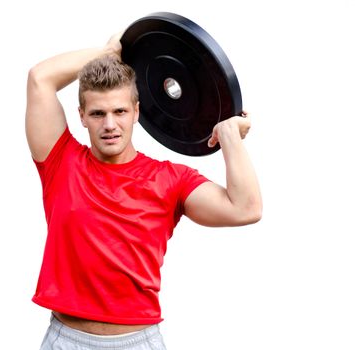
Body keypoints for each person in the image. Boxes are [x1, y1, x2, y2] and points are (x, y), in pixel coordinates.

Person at [25, 32, 262, 350]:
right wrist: (105, 53)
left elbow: (246, 208)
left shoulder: (170, 179)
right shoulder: (61, 162)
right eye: (98, 113)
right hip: (66, 340)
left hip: (137, 342)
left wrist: (229, 134)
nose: (110, 124)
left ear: (137, 112)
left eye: (120, 112)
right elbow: (40, 78)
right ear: (81, 116)